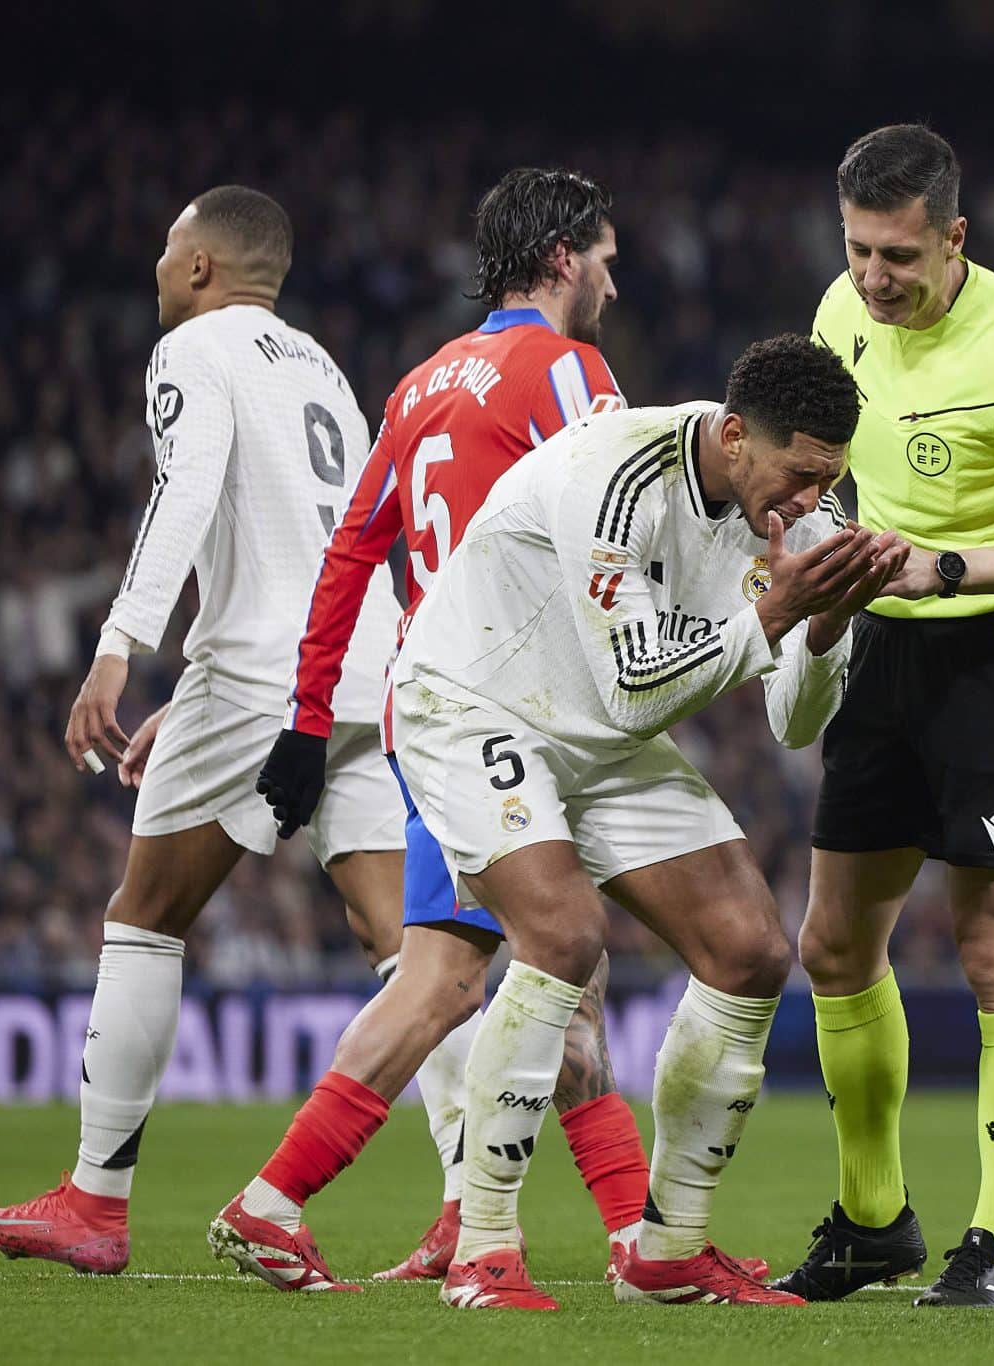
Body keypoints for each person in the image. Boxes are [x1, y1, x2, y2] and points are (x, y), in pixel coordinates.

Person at [268, 334, 906, 1309]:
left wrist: (819, 631)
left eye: (829, 480)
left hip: (594, 727)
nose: (807, 501)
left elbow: (794, 725)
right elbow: (638, 679)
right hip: (472, 700)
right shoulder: (610, 467)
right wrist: (771, 618)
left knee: (746, 948)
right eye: (797, 473)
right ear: (734, 437)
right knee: (560, 933)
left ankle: (667, 1247)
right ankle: (483, 1248)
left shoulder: (805, 520)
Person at [206, 168, 679, 1293]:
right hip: (504, 706)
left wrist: (308, 722)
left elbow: (351, 551)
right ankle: (280, 1201)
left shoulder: (420, 382)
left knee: (507, 971)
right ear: (561, 256)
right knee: (466, 978)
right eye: (604, 256)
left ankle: (596, 1234)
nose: (614, 278)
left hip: (430, 699)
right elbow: (616, 520)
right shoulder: (568, 370)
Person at [0, 186, 406, 1280]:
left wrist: (122, 644)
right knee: (409, 948)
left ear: (202, 266)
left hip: (260, 668)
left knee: (145, 914)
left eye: (166, 248)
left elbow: (189, 489)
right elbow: (328, 534)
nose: (156, 266)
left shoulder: (191, 350)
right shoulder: (319, 367)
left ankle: (93, 1203)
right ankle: (472, 1222)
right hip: (365, 667)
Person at [774, 124, 994, 1309]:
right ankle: (873, 1221)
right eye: (859, 250)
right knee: (830, 947)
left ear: (953, 238)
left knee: (991, 951)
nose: (875, 279)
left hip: (988, 654)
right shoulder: (837, 311)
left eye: (900, 257)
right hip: (883, 651)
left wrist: (946, 568)